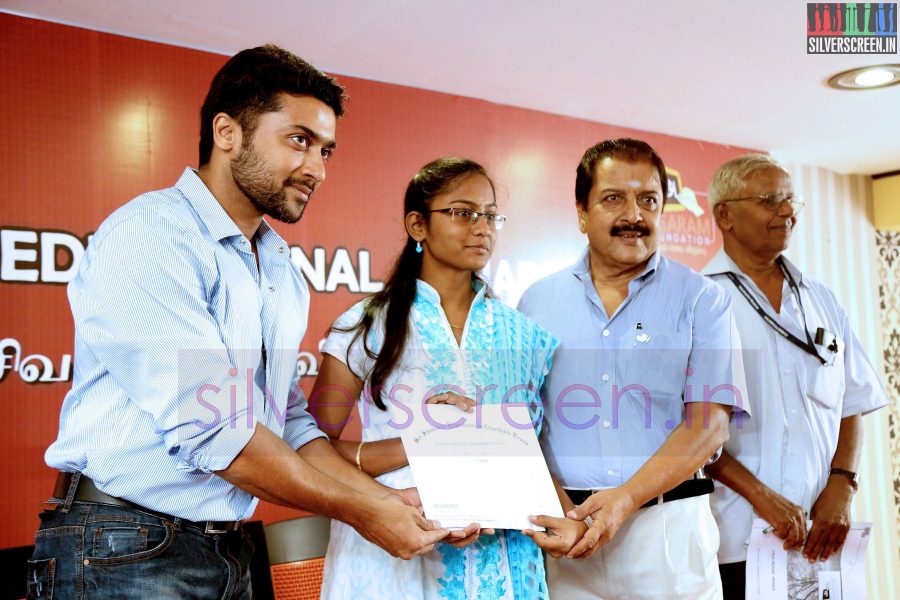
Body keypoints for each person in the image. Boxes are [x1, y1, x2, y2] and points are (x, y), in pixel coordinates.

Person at [28, 45, 447, 600]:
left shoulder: (278, 269)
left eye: (326, 150)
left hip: (227, 548)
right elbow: (221, 430)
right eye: (298, 140)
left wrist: (386, 502)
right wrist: (362, 509)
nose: (316, 169)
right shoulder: (152, 234)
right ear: (227, 132)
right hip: (121, 548)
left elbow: (290, 425)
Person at [310, 157, 583, 599]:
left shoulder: (524, 336)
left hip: (503, 556)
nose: (482, 227)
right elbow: (310, 447)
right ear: (418, 225)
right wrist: (419, 444)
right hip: (399, 546)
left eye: (490, 215)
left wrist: (567, 515)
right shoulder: (366, 323)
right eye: (462, 212)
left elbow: (528, 450)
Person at [518, 138, 748, 599]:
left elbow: (710, 425)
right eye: (613, 198)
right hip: (567, 535)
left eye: (648, 200)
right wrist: (558, 507)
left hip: (667, 534)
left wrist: (624, 500)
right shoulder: (536, 302)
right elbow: (521, 422)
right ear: (581, 212)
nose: (633, 215)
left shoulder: (702, 298)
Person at [702, 154, 889, 599]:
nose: (786, 212)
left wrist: (842, 486)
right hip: (740, 540)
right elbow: (691, 428)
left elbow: (852, 401)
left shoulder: (820, 297)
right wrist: (763, 498)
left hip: (824, 533)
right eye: (770, 200)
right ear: (724, 214)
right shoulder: (699, 300)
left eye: (791, 200)